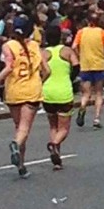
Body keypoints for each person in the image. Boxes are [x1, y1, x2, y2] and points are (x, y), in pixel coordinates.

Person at [0, 17, 50, 178]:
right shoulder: (34, 46)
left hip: (13, 90)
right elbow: (47, 70)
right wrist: (39, 81)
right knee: (24, 129)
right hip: (31, 90)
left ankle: (21, 166)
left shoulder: (8, 46)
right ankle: (16, 146)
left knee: (19, 127)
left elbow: (9, 67)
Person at [42, 25, 79, 170]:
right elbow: (76, 66)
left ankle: (57, 159)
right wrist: (70, 78)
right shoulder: (66, 51)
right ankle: (54, 144)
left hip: (48, 92)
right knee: (63, 128)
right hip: (64, 91)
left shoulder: (43, 53)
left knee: (53, 125)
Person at [72, 12, 104, 129]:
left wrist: (79, 55)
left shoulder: (81, 32)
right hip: (99, 65)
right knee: (99, 93)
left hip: (85, 65)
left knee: (86, 93)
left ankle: (82, 106)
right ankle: (96, 118)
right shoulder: (103, 33)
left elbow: (74, 46)